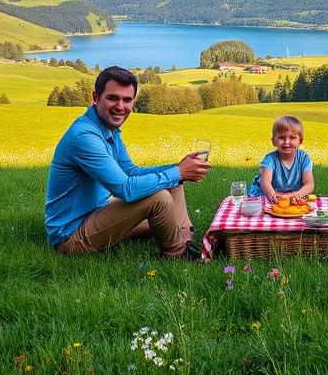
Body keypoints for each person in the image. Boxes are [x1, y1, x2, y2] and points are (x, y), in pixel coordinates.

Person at [45, 66, 210, 258]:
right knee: (159, 198)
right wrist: (179, 171)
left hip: (99, 211)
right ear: (96, 97)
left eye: (127, 100)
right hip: (70, 236)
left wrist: (178, 169)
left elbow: (130, 171)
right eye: (113, 98)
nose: (120, 106)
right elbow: (125, 189)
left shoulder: (108, 129)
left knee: (173, 183)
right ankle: (179, 254)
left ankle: (183, 238)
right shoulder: (84, 137)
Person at [246, 115, 315, 202]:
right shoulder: (270, 159)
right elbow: (265, 183)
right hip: (268, 194)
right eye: (281, 138)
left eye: (292, 138)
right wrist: (275, 198)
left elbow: (309, 184)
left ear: (300, 141)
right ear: (273, 141)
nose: (286, 142)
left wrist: (297, 195)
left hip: (293, 196)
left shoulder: (304, 158)